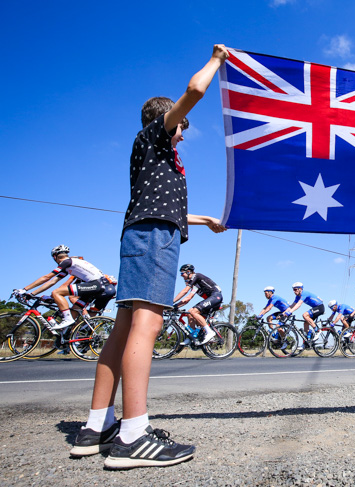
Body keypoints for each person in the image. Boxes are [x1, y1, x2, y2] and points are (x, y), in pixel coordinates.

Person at [72, 45, 230, 468]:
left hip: (145, 233)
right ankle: (134, 435)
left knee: (124, 326)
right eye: (182, 126)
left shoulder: (156, 161)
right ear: (168, 119)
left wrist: (206, 220)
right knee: (148, 322)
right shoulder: (156, 135)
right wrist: (216, 61)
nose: (184, 133)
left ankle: (97, 426)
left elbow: (170, 209)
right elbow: (194, 91)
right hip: (154, 238)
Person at [17, 245, 116, 331]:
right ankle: (68, 342)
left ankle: (67, 319)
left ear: (55, 256)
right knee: (74, 312)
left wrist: (24, 290)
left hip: (96, 285)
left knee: (56, 292)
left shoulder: (67, 262)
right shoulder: (70, 265)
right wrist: (32, 294)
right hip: (100, 286)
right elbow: (52, 282)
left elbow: (47, 277)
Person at [173, 264, 223, 346]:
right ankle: (191, 337)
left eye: (182, 273)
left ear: (188, 272)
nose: (181, 276)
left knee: (194, 312)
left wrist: (172, 302)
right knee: (189, 312)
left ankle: (209, 332)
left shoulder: (197, 276)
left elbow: (185, 291)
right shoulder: (196, 286)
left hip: (216, 296)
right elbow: (188, 298)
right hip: (210, 298)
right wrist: (175, 306)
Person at [284, 282, 325, 350]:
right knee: (305, 323)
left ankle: (317, 330)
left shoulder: (304, 293)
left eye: (295, 289)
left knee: (305, 315)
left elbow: (299, 304)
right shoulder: (298, 296)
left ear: (300, 289)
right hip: (315, 308)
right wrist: (284, 312)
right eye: (293, 290)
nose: (294, 291)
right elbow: (292, 305)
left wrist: (290, 312)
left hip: (320, 307)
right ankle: (306, 342)